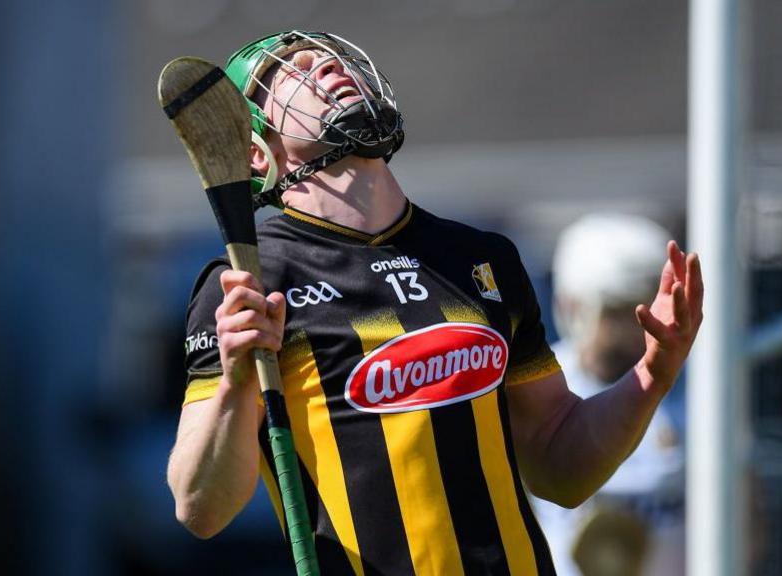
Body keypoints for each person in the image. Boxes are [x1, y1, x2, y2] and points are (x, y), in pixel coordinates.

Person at [165, 30, 704, 575]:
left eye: (329, 58)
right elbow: (201, 509)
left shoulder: (480, 258)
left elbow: (560, 467)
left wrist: (652, 374)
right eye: (291, 71)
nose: (324, 66)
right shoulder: (247, 285)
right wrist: (236, 380)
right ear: (257, 154)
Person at [529, 214, 687, 576]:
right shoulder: (539, 389)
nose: (638, 325)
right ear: (574, 308)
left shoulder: (702, 395)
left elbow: (745, 510)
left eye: (647, 305)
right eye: (618, 310)